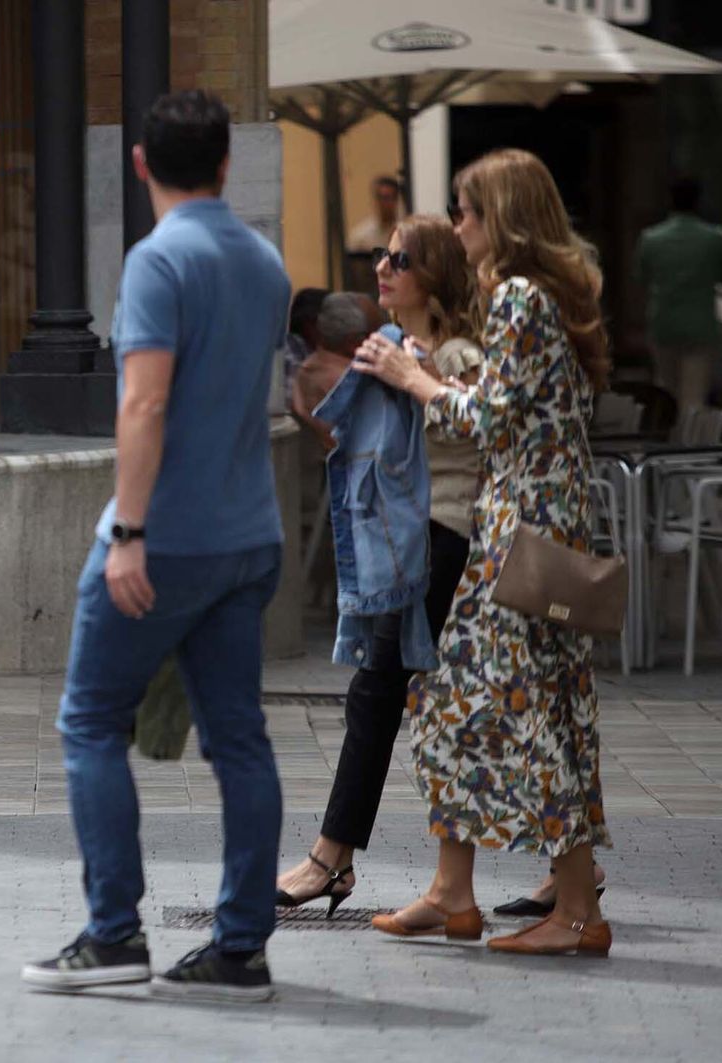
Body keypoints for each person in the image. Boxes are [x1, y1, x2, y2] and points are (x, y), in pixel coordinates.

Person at [20, 90, 290, 1003]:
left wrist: (128, 532)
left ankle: (113, 934)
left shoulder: (157, 261)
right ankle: (241, 947)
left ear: (141, 164)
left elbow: (143, 403)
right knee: (240, 742)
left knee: (90, 722)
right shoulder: (265, 261)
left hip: (165, 539)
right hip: (250, 533)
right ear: (225, 163)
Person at [354, 148, 614, 957]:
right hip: (550, 523)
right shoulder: (553, 297)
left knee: (507, 711)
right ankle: (454, 891)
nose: (456, 223)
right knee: (520, 707)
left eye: (465, 210)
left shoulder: (517, 299)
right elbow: (527, 412)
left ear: (497, 217)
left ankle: (573, 910)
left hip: (516, 531)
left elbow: (491, 422)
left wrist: (414, 379)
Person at [275, 217, 483, 913]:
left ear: (435, 274)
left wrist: (411, 377)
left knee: (389, 693)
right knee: (401, 695)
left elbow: (474, 433)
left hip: (447, 537)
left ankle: (331, 858)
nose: (382, 267)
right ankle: (566, 867)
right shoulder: (395, 346)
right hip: (408, 542)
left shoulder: (454, 355)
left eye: (399, 258)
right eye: (380, 255)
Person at [634, 177, 722, 414]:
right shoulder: (715, 239)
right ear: (698, 201)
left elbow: (641, 279)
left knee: (666, 394)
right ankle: (689, 448)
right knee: (693, 400)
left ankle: (666, 448)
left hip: (663, 325)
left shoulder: (650, 239)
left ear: (670, 200)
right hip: (700, 327)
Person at [289, 293, 384, 452]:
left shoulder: (310, 368)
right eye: (379, 333)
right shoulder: (348, 380)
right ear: (354, 341)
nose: (385, 340)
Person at [347, 176, 403, 255]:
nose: (383, 203)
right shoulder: (361, 237)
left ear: (396, 200)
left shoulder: (404, 231)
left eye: (387, 198)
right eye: (380, 197)